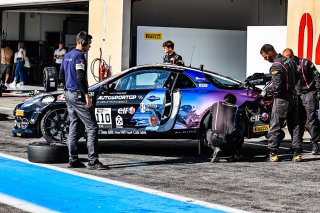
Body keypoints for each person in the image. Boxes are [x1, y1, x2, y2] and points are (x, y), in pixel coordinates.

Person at [60, 31, 109, 170]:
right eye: (89, 43)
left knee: (74, 125)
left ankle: (73, 159)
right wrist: (86, 95)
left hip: (68, 94)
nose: (90, 46)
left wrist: (67, 89)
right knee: (92, 127)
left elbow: (61, 74)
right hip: (77, 94)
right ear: (83, 42)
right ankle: (93, 161)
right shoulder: (80, 56)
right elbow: (81, 77)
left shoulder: (67, 55)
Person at [260, 44, 303, 162]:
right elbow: (299, 76)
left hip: (282, 100)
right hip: (295, 98)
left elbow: (276, 86)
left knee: (275, 125)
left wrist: (265, 91)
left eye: (265, 56)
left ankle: (273, 152)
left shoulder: (276, 66)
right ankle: (297, 153)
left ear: (270, 52)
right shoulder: (291, 62)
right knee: (295, 126)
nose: (265, 59)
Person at [283, 48, 320, 155]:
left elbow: (317, 76)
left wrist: (318, 91)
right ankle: (296, 145)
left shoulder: (305, 63)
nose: (287, 61)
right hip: (296, 95)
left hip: (309, 93)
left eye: (289, 58)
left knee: (311, 120)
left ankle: (315, 143)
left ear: (293, 56)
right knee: (295, 121)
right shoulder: (286, 66)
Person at [204, 94, 244, 162]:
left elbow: (206, 122)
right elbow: (241, 126)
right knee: (239, 131)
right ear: (234, 102)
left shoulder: (216, 104)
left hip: (214, 138)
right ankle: (236, 154)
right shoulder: (236, 109)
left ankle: (216, 148)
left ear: (224, 99)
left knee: (207, 132)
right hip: (231, 140)